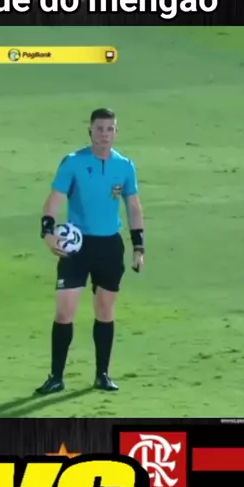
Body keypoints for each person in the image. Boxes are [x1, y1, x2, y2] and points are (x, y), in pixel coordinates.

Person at [36, 108, 145, 394]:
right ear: (90, 131)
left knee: (105, 310)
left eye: (110, 129)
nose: (104, 134)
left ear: (116, 132)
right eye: (99, 129)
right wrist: (48, 232)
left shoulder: (125, 166)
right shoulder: (73, 162)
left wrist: (138, 246)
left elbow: (133, 207)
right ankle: (56, 377)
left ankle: (102, 375)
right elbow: (54, 199)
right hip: (77, 247)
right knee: (64, 312)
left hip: (109, 247)